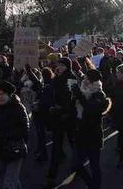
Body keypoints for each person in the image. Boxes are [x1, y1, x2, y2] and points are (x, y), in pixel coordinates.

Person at [70, 69, 110, 189]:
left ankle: (95, 186)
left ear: (93, 80)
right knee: (77, 164)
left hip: (93, 134)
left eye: (87, 78)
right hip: (80, 132)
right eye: (84, 78)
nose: (84, 80)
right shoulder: (83, 89)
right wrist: (74, 96)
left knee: (94, 165)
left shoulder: (99, 94)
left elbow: (90, 110)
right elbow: (75, 108)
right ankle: (91, 184)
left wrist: (79, 95)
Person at [0, 81, 29, 189]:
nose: (0, 97)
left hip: (15, 149)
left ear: (9, 95)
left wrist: (5, 135)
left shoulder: (18, 108)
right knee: (7, 178)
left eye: (2, 94)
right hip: (1, 149)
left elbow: (25, 129)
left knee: (9, 181)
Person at [46, 57, 75, 186]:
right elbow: (51, 91)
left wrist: (64, 110)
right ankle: (51, 176)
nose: (59, 67)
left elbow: (72, 98)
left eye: (62, 65)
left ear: (67, 67)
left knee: (73, 143)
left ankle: (78, 166)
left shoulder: (72, 78)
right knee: (56, 145)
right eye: (59, 65)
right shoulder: (57, 78)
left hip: (68, 117)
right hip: (58, 116)